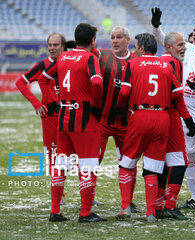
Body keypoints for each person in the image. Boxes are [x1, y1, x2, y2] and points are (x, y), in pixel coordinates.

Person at [152, 7, 195, 211]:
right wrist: (156, 26)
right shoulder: (188, 49)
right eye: (194, 30)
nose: (194, 33)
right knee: (189, 155)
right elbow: (165, 40)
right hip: (188, 110)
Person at [115, 33, 186, 223]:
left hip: (140, 115)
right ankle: (151, 212)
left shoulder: (133, 63)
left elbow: (124, 91)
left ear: (142, 49)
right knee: (154, 168)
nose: (134, 50)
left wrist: (122, 108)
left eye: (136, 47)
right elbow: (178, 94)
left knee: (127, 162)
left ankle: (125, 207)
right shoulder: (167, 65)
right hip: (162, 118)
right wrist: (187, 119)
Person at [39, 23, 106, 223]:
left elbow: (42, 79)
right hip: (84, 119)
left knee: (61, 164)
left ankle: (55, 211)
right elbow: (96, 82)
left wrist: (55, 102)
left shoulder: (62, 57)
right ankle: (85, 213)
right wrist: (96, 105)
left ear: (76, 39)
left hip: (64, 117)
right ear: (93, 40)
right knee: (88, 166)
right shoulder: (90, 57)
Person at [92, 26, 137, 211]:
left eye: (119, 37)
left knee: (129, 162)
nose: (115, 40)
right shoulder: (101, 55)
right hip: (102, 121)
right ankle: (89, 196)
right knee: (94, 160)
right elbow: (84, 48)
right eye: (112, 37)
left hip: (126, 123)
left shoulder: (136, 60)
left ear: (128, 40)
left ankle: (128, 201)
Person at [155, 32, 195, 220]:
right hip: (170, 117)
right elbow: (177, 96)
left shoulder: (156, 62)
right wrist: (187, 119)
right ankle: (170, 205)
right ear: (169, 47)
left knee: (161, 163)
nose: (184, 47)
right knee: (180, 161)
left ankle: (156, 206)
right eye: (180, 44)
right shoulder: (173, 63)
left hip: (152, 116)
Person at [16, 32, 65, 174]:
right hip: (50, 117)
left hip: (70, 115)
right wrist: (36, 103)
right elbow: (20, 83)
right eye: (50, 45)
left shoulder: (69, 62)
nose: (52, 48)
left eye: (56, 45)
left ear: (63, 46)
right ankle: (58, 194)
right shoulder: (42, 65)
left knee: (76, 156)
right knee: (53, 156)